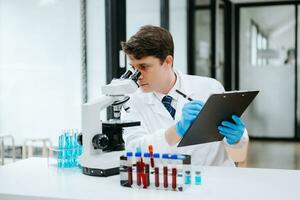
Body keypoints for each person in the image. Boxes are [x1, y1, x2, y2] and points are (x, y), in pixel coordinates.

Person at [121, 25, 248, 166]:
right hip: (167, 182)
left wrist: (236, 138)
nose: (137, 76)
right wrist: (177, 130)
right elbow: (134, 152)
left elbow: (237, 147)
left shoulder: (210, 87)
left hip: (216, 178)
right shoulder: (130, 102)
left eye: (144, 67)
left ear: (168, 61)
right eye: (133, 68)